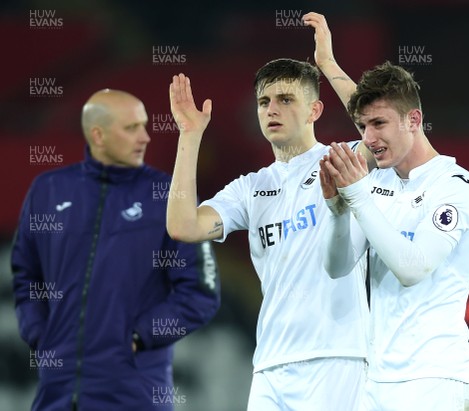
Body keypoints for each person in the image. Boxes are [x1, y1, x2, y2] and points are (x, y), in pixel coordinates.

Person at [304, 12, 469, 410]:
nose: (368, 138)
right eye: (362, 126)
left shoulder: (456, 187)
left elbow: (412, 268)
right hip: (376, 380)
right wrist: (337, 208)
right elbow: (337, 266)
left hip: (434, 380)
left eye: (379, 125)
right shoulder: (376, 184)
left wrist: (356, 196)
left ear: (414, 120)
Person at [166, 59, 373, 410]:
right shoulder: (250, 188)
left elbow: (379, 130)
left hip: (336, 357)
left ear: (315, 109)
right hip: (270, 365)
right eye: (265, 102)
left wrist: (327, 63)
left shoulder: (344, 159)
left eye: (286, 99)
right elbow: (183, 226)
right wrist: (189, 135)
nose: (272, 109)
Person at [11, 89, 221, 411]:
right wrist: (40, 334)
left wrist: (137, 337)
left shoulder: (168, 195)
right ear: (98, 134)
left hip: (134, 393)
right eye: (132, 128)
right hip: (57, 393)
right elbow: (26, 275)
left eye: (145, 125)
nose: (146, 137)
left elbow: (201, 294)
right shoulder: (48, 189)